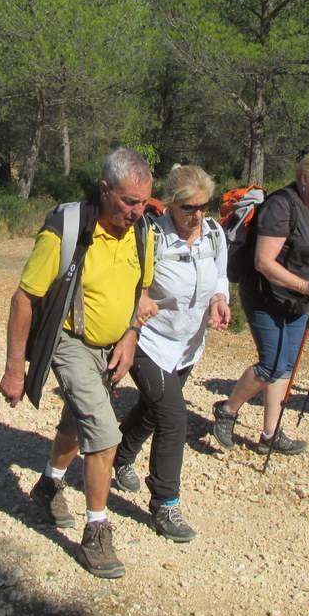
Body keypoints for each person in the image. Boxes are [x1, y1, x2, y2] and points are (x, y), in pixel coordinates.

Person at [0, 147, 156, 579]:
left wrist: (130, 335)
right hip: (71, 342)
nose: (138, 211)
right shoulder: (66, 231)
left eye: (144, 202)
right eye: (129, 201)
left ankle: (49, 484)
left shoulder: (143, 232)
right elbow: (24, 298)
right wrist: (16, 369)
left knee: (77, 419)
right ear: (104, 190)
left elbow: (142, 295)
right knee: (104, 436)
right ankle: (96, 532)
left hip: (112, 347)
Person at [211, 146, 309, 455]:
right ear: (306, 178)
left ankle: (270, 434)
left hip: (298, 301)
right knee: (270, 366)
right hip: (266, 298)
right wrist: (306, 286)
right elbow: (263, 262)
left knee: (286, 368)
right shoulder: (280, 206)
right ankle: (227, 411)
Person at [112, 165, 230, 543]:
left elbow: (221, 276)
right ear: (171, 206)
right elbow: (125, 277)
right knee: (173, 418)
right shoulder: (150, 235)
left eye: (204, 206)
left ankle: (120, 456)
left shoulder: (213, 233)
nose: (198, 215)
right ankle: (165, 503)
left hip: (188, 345)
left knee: (151, 410)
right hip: (149, 341)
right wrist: (141, 298)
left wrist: (219, 299)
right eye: (189, 208)